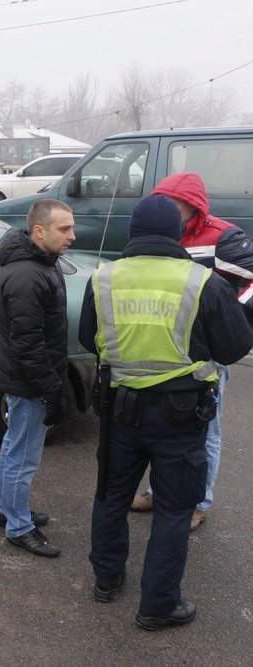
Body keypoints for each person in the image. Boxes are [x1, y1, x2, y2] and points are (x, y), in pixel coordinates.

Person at [80, 195, 252, 630]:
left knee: (111, 497)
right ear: (178, 235)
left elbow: (87, 337)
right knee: (175, 510)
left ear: (132, 234)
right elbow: (234, 347)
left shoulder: (102, 278)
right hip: (181, 415)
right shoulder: (201, 281)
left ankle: (106, 580)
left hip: (119, 411)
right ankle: (157, 606)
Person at [129, 173, 253, 530]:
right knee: (168, 430)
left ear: (193, 205)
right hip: (166, 349)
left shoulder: (223, 237)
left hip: (207, 355)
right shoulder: (162, 234)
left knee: (206, 431)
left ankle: (199, 501)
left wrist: (233, 317)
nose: (167, 209)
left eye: (174, 203)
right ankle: (159, 491)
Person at [0, 199, 76, 557]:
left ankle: (7, 508)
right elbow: (28, 345)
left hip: (28, 380)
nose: (72, 235)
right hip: (30, 383)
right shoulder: (27, 276)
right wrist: (53, 391)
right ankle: (18, 526)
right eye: (64, 229)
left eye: (71, 227)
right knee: (23, 457)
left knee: (14, 446)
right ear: (39, 231)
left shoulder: (43, 263)